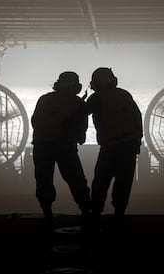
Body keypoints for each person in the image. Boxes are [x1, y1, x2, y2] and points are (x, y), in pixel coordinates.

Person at [31, 71, 91, 229]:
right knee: (77, 181)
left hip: (44, 146)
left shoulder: (45, 100)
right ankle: (87, 213)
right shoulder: (79, 104)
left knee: (44, 182)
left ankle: (48, 216)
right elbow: (81, 134)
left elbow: (36, 122)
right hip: (64, 147)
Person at [86, 67, 143, 231]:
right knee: (123, 184)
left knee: (100, 184)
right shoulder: (124, 95)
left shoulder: (96, 98)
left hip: (110, 147)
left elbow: (80, 114)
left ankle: (95, 217)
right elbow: (137, 118)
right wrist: (137, 142)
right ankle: (118, 217)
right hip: (129, 147)